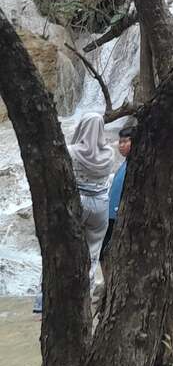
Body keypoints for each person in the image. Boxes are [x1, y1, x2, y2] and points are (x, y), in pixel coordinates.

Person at [35, 113, 117, 315]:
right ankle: (84, 302)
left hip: (76, 203)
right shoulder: (109, 154)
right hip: (100, 206)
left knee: (58, 247)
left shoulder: (71, 152)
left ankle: (42, 303)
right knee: (93, 253)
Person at [101, 125, 133, 282]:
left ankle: (112, 284)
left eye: (126, 141)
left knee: (110, 252)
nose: (121, 145)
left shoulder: (135, 166)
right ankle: (109, 284)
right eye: (120, 142)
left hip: (119, 216)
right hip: (111, 215)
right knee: (104, 252)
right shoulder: (125, 164)